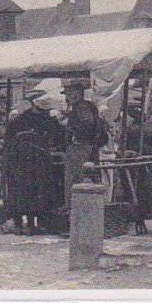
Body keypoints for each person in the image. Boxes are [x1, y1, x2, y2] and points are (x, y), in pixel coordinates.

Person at [3, 95, 65, 234]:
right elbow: (61, 137)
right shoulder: (46, 121)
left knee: (19, 191)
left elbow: (6, 143)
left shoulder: (15, 122)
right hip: (39, 163)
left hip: (18, 163)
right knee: (38, 191)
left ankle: (19, 224)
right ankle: (34, 224)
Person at [63, 79, 106, 210]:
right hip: (88, 147)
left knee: (76, 179)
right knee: (88, 178)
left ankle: (75, 209)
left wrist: (77, 137)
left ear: (77, 94)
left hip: (80, 149)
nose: (67, 97)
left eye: (69, 93)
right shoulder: (86, 106)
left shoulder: (81, 107)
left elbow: (87, 122)